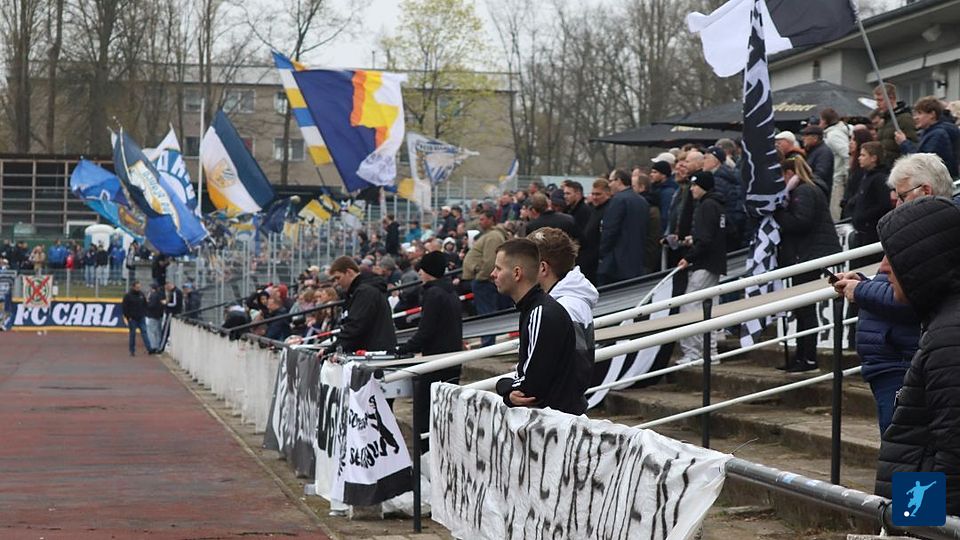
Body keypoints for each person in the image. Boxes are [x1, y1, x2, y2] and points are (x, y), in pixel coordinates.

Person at [873, 196, 960, 515]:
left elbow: (952, 456)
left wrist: (918, 525)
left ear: (923, 263)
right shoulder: (944, 323)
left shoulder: (950, 336)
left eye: (893, 257)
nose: (884, 268)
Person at [491, 239, 591, 415]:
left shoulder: (541, 312)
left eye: (498, 268)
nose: (493, 274)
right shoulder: (534, 308)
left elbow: (530, 388)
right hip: (557, 418)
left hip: (557, 421)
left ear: (517, 273)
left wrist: (502, 386)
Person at [833, 257, 920, 434]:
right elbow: (894, 289)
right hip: (888, 364)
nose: (884, 268)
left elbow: (909, 297)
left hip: (900, 365)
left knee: (899, 438)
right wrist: (862, 283)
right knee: (896, 438)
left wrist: (860, 289)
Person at [774, 154, 841, 372]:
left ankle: (809, 358)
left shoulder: (804, 191)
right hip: (806, 253)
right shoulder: (806, 190)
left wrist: (779, 214)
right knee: (801, 308)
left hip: (809, 254)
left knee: (806, 309)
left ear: (788, 173)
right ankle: (801, 356)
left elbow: (801, 222)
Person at [397, 251, 463, 447]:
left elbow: (426, 331)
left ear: (428, 271)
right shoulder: (450, 292)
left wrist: (404, 349)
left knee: (425, 412)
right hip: (451, 359)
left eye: (422, 269)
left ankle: (425, 454)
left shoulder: (433, 294)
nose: (419, 273)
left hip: (435, 362)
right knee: (445, 412)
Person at [676, 171, 726, 364]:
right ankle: (710, 353)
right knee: (708, 308)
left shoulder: (707, 206)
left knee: (690, 306)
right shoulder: (718, 205)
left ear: (703, 186)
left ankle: (694, 352)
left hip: (704, 264)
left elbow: (705, 240)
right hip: (714, 263)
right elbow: (721, 232)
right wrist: (695, 239)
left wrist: (688, 257)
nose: (692, 189)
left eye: (695, 186)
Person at [528, 227, 598, 356]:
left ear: (543, 267)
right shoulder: (570, 302)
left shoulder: (565, 308)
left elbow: (577, 362)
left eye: (527, 263)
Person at [325, 256, 396, 353]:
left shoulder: (365, 292)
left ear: (349, 272)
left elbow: (355, 325)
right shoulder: (359, 291)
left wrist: (333, 349)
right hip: (372, 350)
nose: (337, 283)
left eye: (338, 278)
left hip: (373, 352)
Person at [462, 209, 510, 346]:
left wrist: (480, 276)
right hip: (483, 280)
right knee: (485, 312)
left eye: (482, 219)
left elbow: (490, 261)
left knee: (486, 313)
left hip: (484, 281)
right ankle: (487, 342)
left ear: (491, 219)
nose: (480, 222)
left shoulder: (493, 236)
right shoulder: (490, 235)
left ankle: (487, 344)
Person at [598, 169, 649, 285]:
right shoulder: (642, 201)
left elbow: (610, 231)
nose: (609, 185)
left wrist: (602, 253)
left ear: (619, 181)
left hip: (616, 263)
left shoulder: (618, 200)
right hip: (636, 261)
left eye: (611, 181)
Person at [846, 141, 892, 268]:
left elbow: (884, 205)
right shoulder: (867, 177)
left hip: (871, 234)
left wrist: (863, 216)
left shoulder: (879, 179)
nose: (859, 158)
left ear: (873, 158)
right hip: (862, 233)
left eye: (863, 155)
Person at [895, 96, 960, 177]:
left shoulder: (938, 135)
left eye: (920, 113)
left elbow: (924, 162)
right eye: (915, 114)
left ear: (932, 114)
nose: (915, 118)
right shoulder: (929, 132)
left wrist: (904, 143)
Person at [703, 146, 745, 249]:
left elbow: (720, 208)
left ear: (715, 161)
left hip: (726, 232)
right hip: (735, 228)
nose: (703, 161)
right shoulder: (731, 175)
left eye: (706, 158)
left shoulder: (717, 181)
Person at [874, 82, 917, 167]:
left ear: (891, 98)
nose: (877, 104)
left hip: (897, 165)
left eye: (880, 100)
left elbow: (912, 143)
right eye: (876, 100)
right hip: (883, 166)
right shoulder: (884, 120)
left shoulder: (905, 118)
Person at [820, 108, 852, 220]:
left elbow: (847, 153)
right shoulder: (843, 129)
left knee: (836, 211)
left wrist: (848, 174)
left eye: (821, 120)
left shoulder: (833, 135)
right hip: (841, 176)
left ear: (825, 121)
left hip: (839, 178)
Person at [580, 178, 611, 285]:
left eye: (598, 194)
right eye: (592, 194)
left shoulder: (609, 210)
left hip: (597, 261)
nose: (594, 197)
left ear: (607, 193)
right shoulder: (593, 209)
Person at [800, 125, 833, 198]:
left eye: (806, 136)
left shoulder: (824, 152)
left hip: (819, 193)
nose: (803, 138)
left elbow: (820, 173)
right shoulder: (813, 150)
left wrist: (804, 180)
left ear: (815, 138)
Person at [121, 281, 153, 356]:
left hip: (141, 317)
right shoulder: (128, 296)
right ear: (133, 287)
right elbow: (124, 308)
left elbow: (145, 304)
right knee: (132, 334)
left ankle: (149, 349)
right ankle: (132, 351)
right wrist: (128, 317)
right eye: (137, 287)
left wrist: (144, 313)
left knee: (144, 332)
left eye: (139, 287)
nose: (138, 288)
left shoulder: (141, 294)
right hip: (132, 318)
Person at [648, 160, 679, 234]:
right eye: (652, 172)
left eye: (655, 172)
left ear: (663, 175)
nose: (651, 174)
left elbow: (666, 215)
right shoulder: (655, 189)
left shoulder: (668, 192)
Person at [144, 283, 165, 352]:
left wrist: (146, 303)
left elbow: (151, 306)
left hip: (153, 315)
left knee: (151, 331)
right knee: (158, 331)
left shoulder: (153, 295)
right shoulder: (160, 294)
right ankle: (158, 346)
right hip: (158, 315)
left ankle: (153, 346)